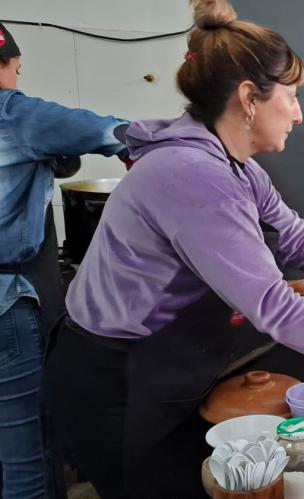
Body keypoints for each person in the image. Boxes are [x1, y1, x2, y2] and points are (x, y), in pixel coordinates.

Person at [43, 2, 304, 496]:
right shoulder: (193, 174)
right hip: (118, 381)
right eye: (293, 97)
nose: (299, 114)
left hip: (162, 366)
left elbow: (301, 241)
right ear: (249, 98)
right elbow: (271, 305)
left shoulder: (237, 168)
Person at [0, 21, 131, 499]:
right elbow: (114, 132)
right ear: (11, 63)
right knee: (26, 455)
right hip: (5, 306)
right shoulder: (13, 111)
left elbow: (58, 159)